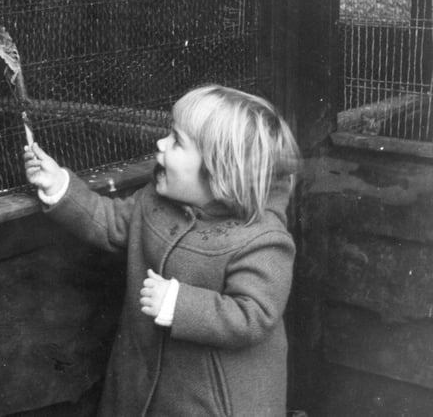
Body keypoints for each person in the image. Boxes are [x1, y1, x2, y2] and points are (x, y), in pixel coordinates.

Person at [23, 84, 301, 417]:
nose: (161, 143)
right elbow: (112, 223)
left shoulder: (262, 239)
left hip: (213, 401)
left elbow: (254, 315)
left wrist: (178, 303)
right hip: (143, 386)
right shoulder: (156, 200)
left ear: (220, 172)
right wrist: (60, 187)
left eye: (177, 141)